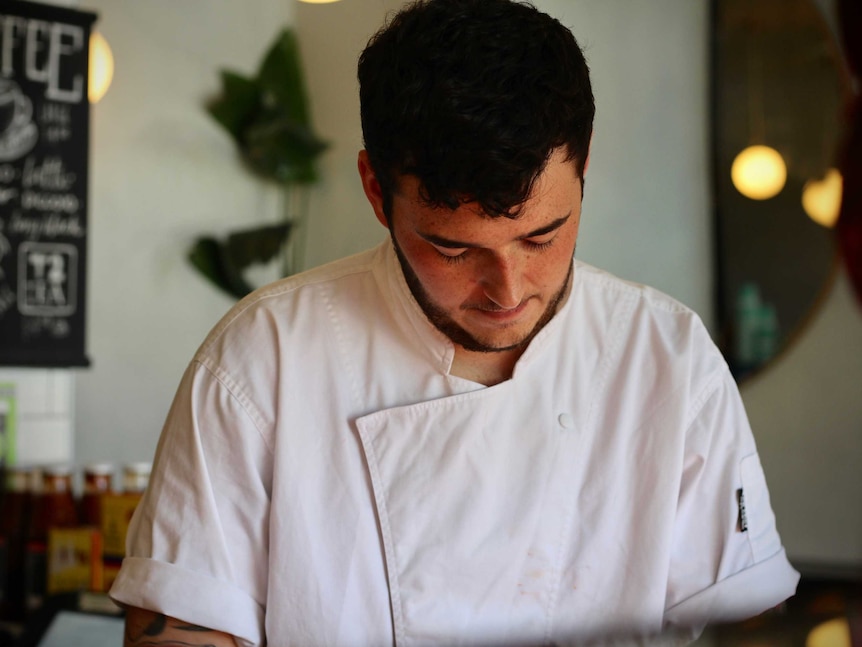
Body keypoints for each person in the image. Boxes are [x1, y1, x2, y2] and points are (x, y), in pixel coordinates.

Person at [111, 0, 799, 645]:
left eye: (542, 237)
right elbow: (182, 625)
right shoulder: (265, 357)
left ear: (583, 169)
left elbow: (746, 615)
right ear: (377, 191)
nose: (508, 288)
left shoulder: (666, 357)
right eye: (453, 248)